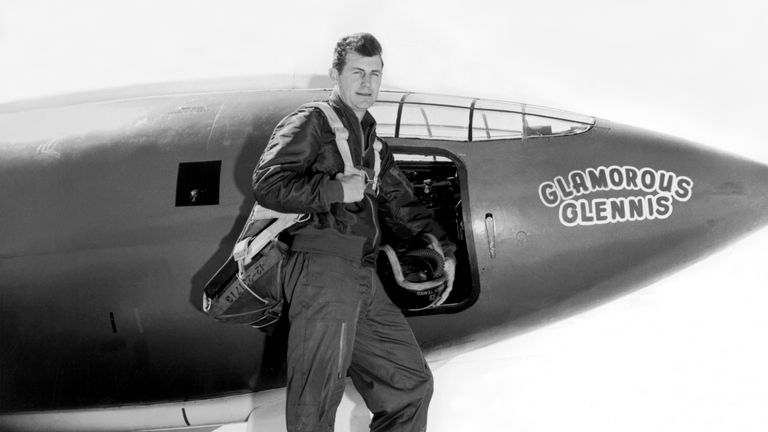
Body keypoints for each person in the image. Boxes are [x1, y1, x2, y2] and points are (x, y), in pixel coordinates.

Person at [252, 32, 456, 432]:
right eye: (357, 72)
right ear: (336, 74)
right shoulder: (312, 121)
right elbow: (268, 183)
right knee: (317, 401)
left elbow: (404, 208)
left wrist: (444, 250)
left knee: (410, 386)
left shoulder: (374, 146)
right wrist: (333, 189)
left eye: (375, 74)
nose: (367, 83)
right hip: (321, 268)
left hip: (362, 276)